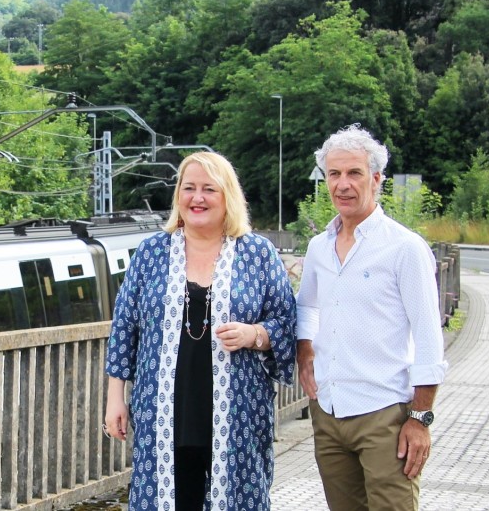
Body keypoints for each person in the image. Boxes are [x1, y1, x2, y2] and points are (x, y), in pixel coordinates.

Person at [105, 151, 297, 510]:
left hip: (237, 413)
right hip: (161, 410)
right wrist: (116, 397)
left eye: (209, 189)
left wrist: (254, 334)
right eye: (189, 188)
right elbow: (124, 328)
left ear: (228, 197)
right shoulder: (151, 253)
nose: (197, 198)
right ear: (178, 195)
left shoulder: (258, 254)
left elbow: (286, 324)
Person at [297, 125, 448, 511]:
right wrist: (304, 351)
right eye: (334, 174)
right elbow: (307, 306)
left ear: (376, 179)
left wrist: (420, 419)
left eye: (354, 173)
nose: (342, 185)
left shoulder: (404, 249)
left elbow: (429, 339)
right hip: (328, 413)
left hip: (385, 415)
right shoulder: (319, 247)